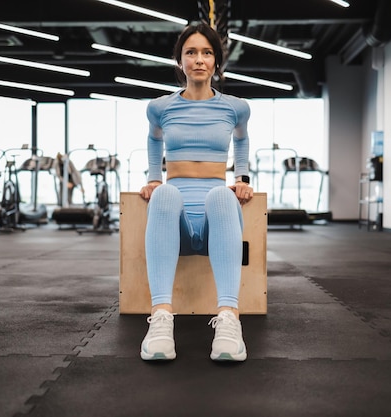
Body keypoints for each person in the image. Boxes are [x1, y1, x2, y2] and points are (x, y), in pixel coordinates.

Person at [139, 22, 253, 362]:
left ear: (217, 61)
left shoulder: (236, 107)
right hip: (174, 223)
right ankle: (160, 321)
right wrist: (153, 177)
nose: (199, 59)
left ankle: (229, 321)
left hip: (216, 221)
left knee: (222, 194)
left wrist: (243, 176)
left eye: (207, 52)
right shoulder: (160, 107)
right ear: (179, 61)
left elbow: (242, 139)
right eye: (191, 52)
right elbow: (153, 138)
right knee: (164, 193)